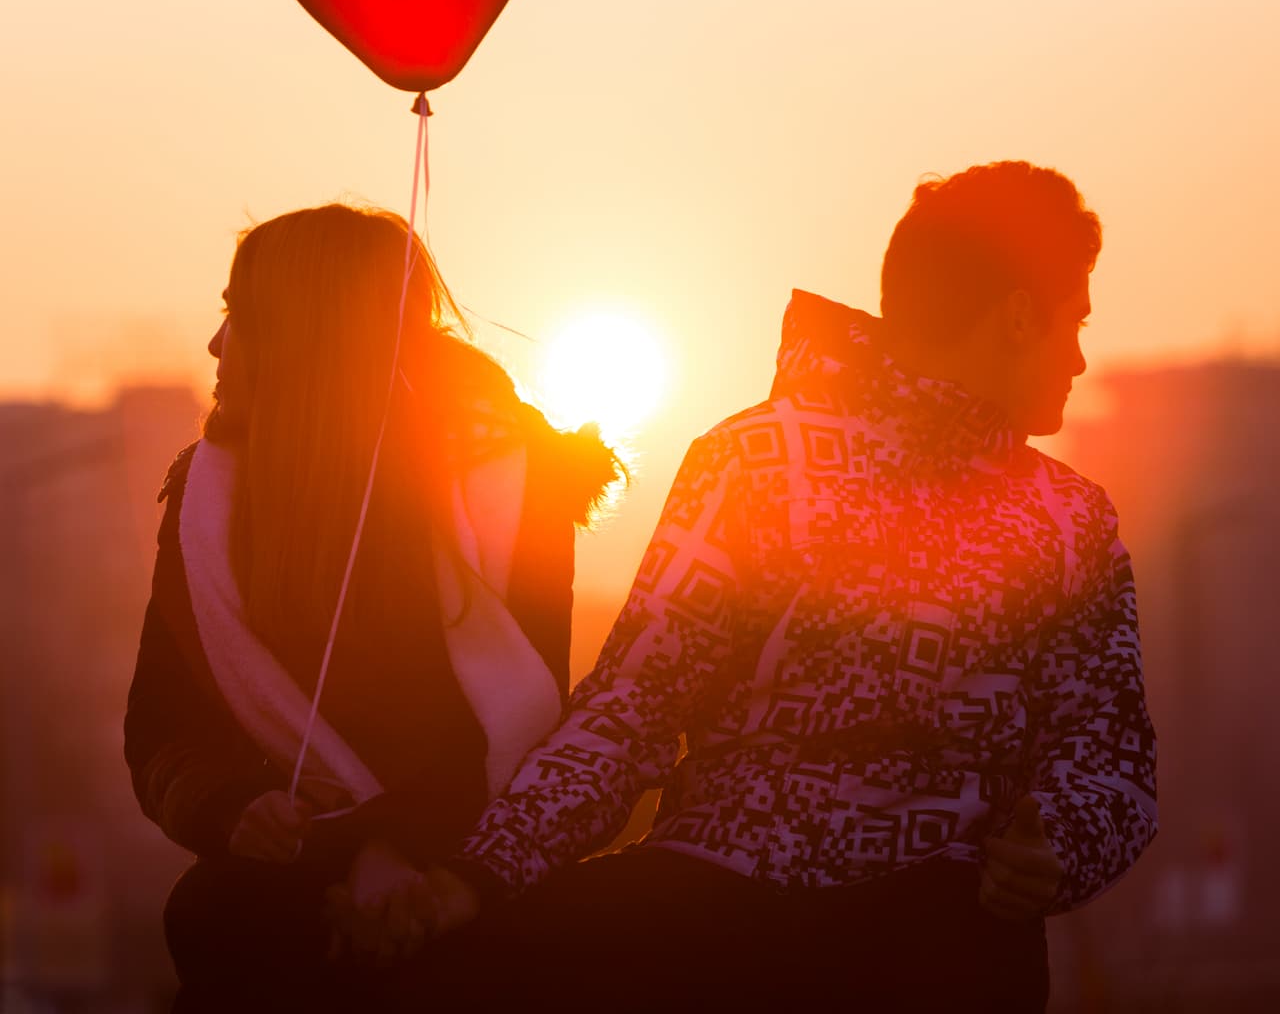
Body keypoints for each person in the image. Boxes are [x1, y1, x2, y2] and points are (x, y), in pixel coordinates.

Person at [374, 161, 1157, 1012]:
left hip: (904, 929)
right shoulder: (765, 463)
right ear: (1016, 316)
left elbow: (1108, 761)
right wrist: (480, 874)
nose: (1080, 356)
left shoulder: (1065, 516)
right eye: (1074, 319)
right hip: (754, 926)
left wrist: (1060, 851)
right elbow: (635, 709)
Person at [123, 203, 620, 1011]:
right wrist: (231, 808)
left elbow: (518, 723)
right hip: (299, 868)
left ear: (304, 338)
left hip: (471, 850)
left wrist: (397, 851)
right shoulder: (203, 504)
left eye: (237, 317)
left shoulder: (510, 485)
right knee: (214, 914)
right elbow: (162, 727)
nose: (215, 345)